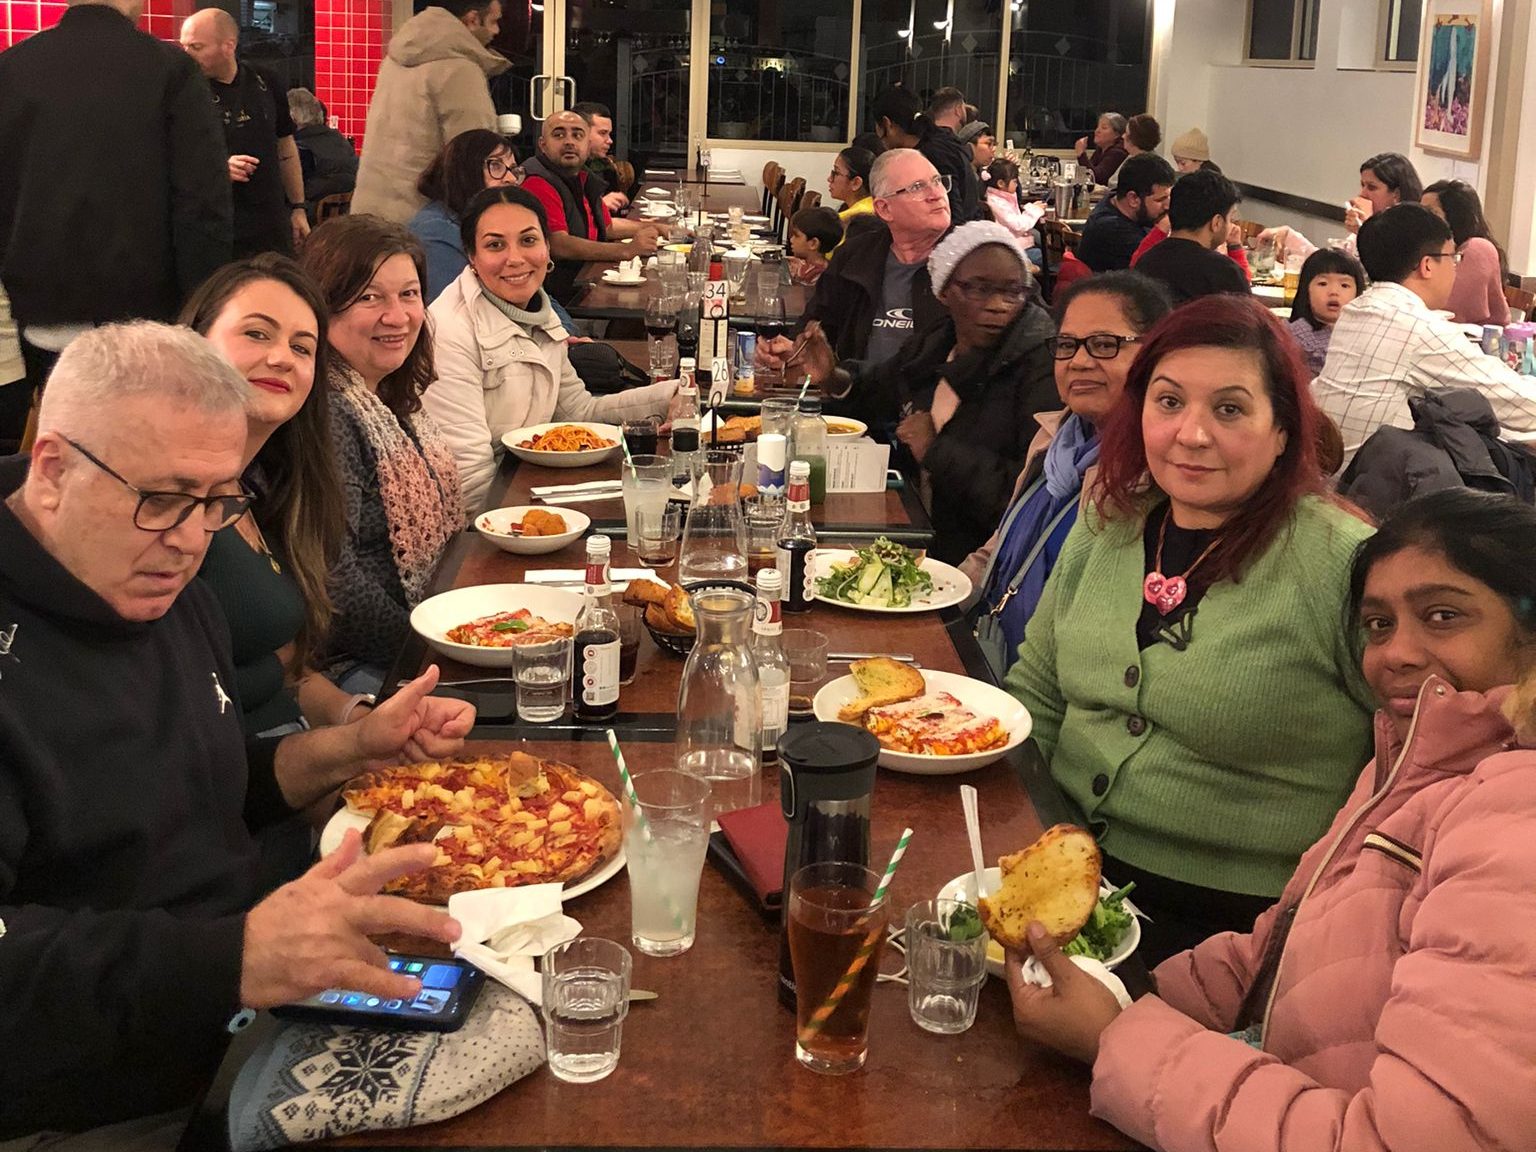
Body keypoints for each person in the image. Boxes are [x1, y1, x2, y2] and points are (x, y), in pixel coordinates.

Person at [0, 321, 472, 1142]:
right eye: (162, 499)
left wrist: (356, 746)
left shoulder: (157, 576)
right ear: (53, 469)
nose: (189, 541)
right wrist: (234, 958)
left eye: (216, 502)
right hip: (97, 1092)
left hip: (247, 991)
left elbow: (206, 783)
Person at [1006, 487, 1536, 1152]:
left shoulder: (1513, 824)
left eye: (1442, 615)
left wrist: (1118, 1034)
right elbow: (1283, 959)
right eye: (1378, 624)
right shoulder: (1413, 762)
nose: (1396, 653)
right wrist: (1112, 986)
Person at [1004, 294, 1377, 963]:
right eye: (1169, 402)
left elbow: (1411, 764)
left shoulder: (1343, 563)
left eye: (1229, 409)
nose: (1191, 434)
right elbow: (1038, 688)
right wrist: (1026, 834)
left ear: (1284, 428)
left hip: (1230, 934)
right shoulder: (1109, 521)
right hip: (1059, 878)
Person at [0, 0, 230, 448]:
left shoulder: (11, 68)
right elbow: (203, 205)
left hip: (42, 311)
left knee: (59, 447)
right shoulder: (171, 70)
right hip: (149, 318)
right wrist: (202, 315)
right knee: (142, 453)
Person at [790, 221, 1059, 565]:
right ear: (944, 291)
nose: (999, 305)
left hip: (978, 560)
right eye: (978, 289)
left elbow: (1028, 499)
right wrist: (833, 377)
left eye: (1013, 291)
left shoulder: (1043, 366)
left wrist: (937, 450)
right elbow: (881, 389)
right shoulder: (941, 340)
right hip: (915, 530)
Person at [182, 254, 365, 737]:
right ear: (194, 342)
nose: (283, 357)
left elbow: (282, 672)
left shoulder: (268, 486)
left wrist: (360, 720)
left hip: (297, 750)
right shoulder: (163, 503)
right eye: (256, 334)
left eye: (302, 348)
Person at [963, 272, 1174, 673]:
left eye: (1104, 344)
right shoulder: (1054, 440)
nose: (1078, 361)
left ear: (1154, 356)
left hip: (1054, 690)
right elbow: (996, 553)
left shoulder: (1153, 476)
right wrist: (922, 599)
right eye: (1066, 345)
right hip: (987, 657)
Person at [425, 187, 680, 513]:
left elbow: (578, 414)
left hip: (525, 492)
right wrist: (549, 520)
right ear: (472, 257)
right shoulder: (448, 332)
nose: (515, 258)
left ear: (547, 248)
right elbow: (469, 483)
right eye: (495, 245)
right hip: (485, 526)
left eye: (528, 240)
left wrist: (669, 395)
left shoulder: (536, 314)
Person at [301, 216, 462, 691]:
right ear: (322, 305)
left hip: (424, 629)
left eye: (409, 294)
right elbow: (335, 583)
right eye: (369, 297)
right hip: (358, 666)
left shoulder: (388, 397)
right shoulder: (328, 410)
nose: (398, 316)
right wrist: (434, 647)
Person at [1313, 204, 1536, 467]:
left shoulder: (1356, 311)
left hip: (1334, 478)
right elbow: (1521, 405)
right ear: (1427, 265)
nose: (1455, 269)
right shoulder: (1419, 328)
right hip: (1376, 494)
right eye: (1454, 259)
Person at [759, 148, 952, 376]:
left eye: (937, 181)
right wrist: (792, 349)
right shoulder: (855, 257)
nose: (936, 194)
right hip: (853, 400)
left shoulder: (965, 265)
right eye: (918, 187)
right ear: (884, 209)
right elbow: (817, 323)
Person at [350, 0, 509, 224]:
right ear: (473, 20)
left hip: (369, 211)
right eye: (493, 21)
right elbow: (472, 159)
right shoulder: (460, 70)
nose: (496, 31)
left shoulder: (395, 59)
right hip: (422, 224)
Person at [180, 9, 309, 257]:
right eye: (183, 46)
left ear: (228, 46)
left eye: (196, 47)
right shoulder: (185, 91)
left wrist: (298, 207)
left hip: (269, 221)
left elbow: (286, 147)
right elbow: (170, 156)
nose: (186, 55)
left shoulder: (266, 80)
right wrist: (217, 169)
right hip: (215, 224)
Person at [519, 110, 660, 303]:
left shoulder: (578, 176)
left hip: (584, 280)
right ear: (543, 145)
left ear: (587, 145)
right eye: (559, 135)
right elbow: (558, 244)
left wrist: (661, 228)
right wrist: (626, 251)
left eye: (577, 135)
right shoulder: (538, 182)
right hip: (560, 295)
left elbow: (607, 226)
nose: (569, 142)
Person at [407, 127, 524, 301]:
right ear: (463, 172)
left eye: (513, 169)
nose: (511, 179)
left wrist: (562, 328)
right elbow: (455, 310)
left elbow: (535, 293)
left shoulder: (489, 223)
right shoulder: (435, 231)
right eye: (496, 165)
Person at [1263, 151, 1423, 260]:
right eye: (1362, 185)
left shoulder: (1414, 233)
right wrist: (1289, 236)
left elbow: (1384, 271)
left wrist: (1366, 231)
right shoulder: (1364, 228)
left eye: (1372, 187)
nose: (1363, 194)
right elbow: (1333, 269)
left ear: (1396, 194)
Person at [1128, 168, 1249, 306]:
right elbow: (1248, 322)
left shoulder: (1146, 261)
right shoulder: (1223, 271)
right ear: (1217, 222)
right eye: (1230, 218)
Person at [871, 84, 979, 224]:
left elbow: (951, 216)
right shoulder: (938, 141)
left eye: (877, 128)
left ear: (887, 124)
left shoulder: (933, 154)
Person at [1423, 178, 1511, 326]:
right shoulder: (1431, 250)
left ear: (1456, 217)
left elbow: (1450, 309)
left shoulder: (1479, 248)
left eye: (1431, 212)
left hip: (1480, 343)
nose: (1422, 219)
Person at [1076, 153, 1176, 273]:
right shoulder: (1113, 230)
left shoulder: (1113, 200)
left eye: (1169, 197)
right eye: (1160, 200)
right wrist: (1164, 228)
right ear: (1133, 199)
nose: (1167, 206)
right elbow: (1158, 267)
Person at [1287, 247, 1364, 377]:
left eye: (1344, 285)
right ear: (1306, 290)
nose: (1334, 291)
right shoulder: (1295, 337)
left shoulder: (1363, 334)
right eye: (1323, 284)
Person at [287, 87, 359, 214]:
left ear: (292, 119)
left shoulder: (300, 149)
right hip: (344, 220)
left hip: (308, 222)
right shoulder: (340, 141)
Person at [571, 99, 629, 215]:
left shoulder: (604, 167)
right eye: (602, 133)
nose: (610, 141)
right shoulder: (564, 170)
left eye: (609, 134)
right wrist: (600, 205)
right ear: (581, 133)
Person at [788, 205, 843, 286]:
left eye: (796, 236)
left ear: (813, 243)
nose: (791, 240)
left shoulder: (819, 277)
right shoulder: (802, 264)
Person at [1074, 113, 1129, 186]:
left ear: (1117, 134)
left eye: (1104, 128)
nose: (1097, 131)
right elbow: (1087, 174)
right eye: (1097, 127)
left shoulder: (1118, 152)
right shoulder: (1100, 149)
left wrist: (1081, 154)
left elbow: (1097, 178)